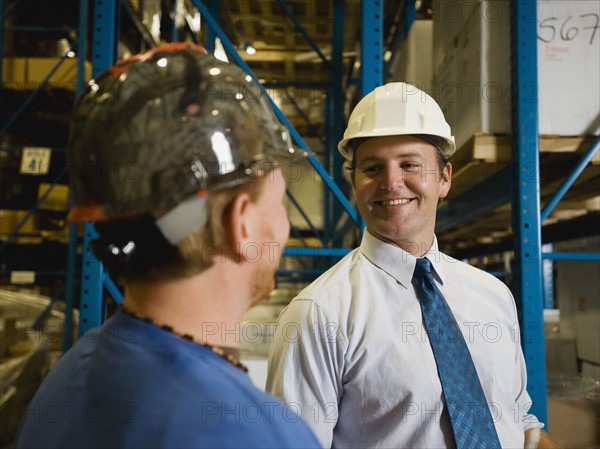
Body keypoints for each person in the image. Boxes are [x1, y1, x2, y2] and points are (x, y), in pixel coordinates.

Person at [15, 43, 321, 449]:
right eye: (278, 202)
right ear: (241, 224)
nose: (283, 223)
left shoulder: (69, 376)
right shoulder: (257, 434)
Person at [267, 82, 561, 448]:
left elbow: (517, 417)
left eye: (410, 164)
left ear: (444, 178)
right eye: (373, 168)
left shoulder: (493, 294)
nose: (391, 182)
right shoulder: (319, 315)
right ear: (354, 184)